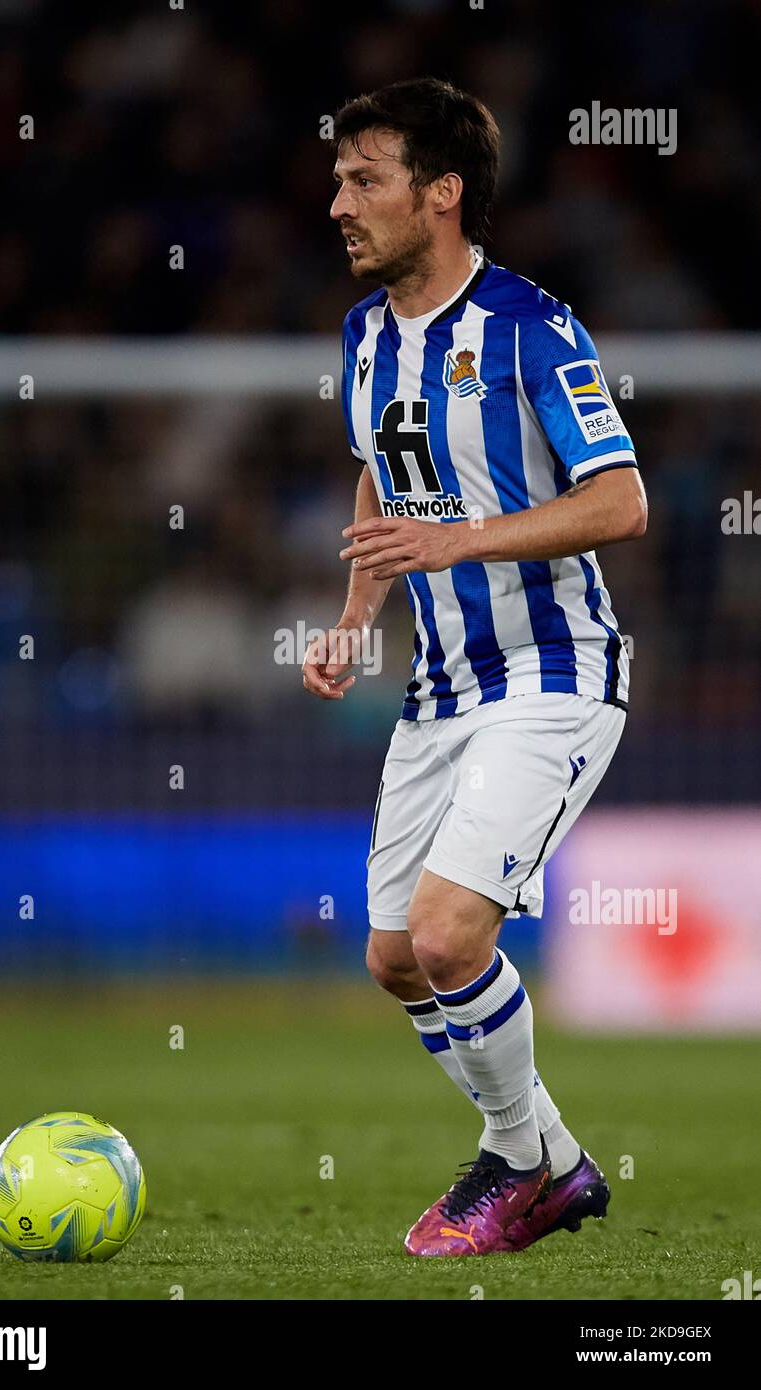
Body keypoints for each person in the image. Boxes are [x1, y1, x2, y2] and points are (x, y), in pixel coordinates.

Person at [301, 78, 647, 1256]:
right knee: (395, 957)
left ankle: (515, 1164)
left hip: (551, 672)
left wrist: (462, 538)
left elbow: (620, 500)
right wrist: (355, 611)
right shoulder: (361, 335)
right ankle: (554, 1163)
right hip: (437, 689)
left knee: (452, 938)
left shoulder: (530, 329)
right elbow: (378, 467)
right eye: (339, 177)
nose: (337, 201)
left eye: (364, 179)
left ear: (439, 195)